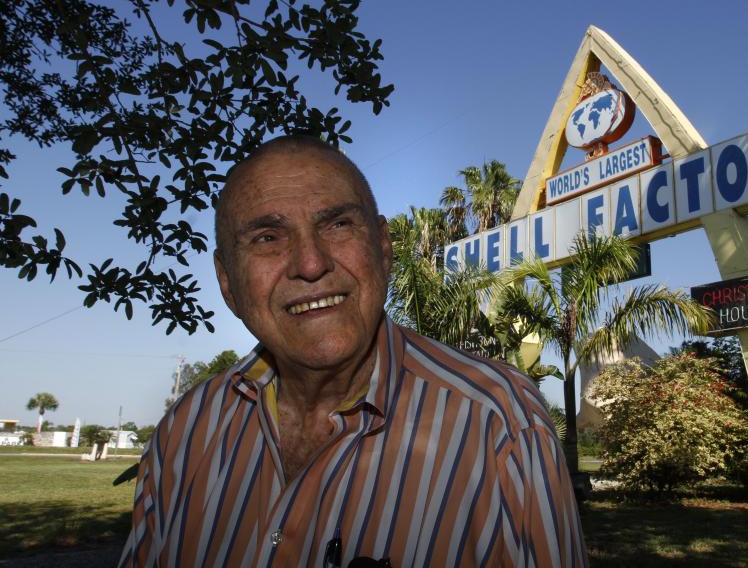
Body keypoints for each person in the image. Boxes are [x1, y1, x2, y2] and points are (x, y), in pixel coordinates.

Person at [120, 137, 586, 567]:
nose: (310, 263)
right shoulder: (185, 433)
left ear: (383, 249)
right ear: (227, 283)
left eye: (338, 224)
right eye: (267, 237)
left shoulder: (500, 426)